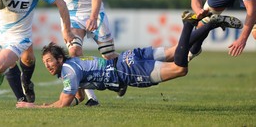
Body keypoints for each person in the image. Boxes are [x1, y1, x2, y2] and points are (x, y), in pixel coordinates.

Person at [16, 11, 243, 108]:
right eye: (45, 62)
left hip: (127, 72)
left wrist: (32, 107)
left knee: (180, 68)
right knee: (177, 50)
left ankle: (188, 24)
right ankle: (210, 24)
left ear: (59, 58)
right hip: (128, 56)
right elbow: (76, 96)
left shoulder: (68, 71)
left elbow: (63, 103)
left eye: (49, 61)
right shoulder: (73, 66)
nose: (47, 65)